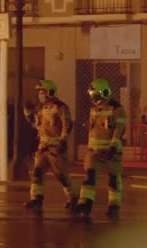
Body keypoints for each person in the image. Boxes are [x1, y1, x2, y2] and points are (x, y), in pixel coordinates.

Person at [23, 80, 78, 212]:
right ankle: (36, 199)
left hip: (55, 147)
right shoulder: (41, 108)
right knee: (37, 173)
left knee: (61, 175)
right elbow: (35, 123)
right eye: (39, 93)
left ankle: (74, 197)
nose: (40, 95)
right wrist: (27, 110)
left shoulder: (60, 107)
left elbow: (67, 124)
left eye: (43, 92)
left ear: (50, 92)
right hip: (43, 146)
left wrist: (63, 141)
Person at [75, 78, 126, 220]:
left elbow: (119, 129)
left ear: (104, 93)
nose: (94, 98)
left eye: (96, 95)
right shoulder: (94, 109)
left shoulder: (117, 109)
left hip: (111, 151)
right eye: (92, 96)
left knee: (113, 179)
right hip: (94, 150)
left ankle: (114, 205)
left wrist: (113, 146)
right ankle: (85, 203)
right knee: (89, 177)